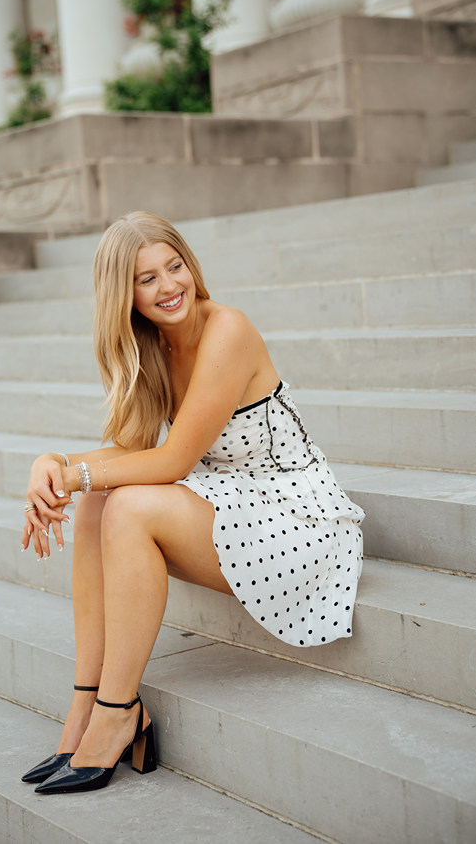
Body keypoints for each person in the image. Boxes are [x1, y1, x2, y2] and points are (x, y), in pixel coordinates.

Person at [20, 211, 364, 795]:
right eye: (146, 279)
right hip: (235, 504)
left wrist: (75, 474)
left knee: (124, 505)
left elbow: (173, 462)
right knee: (99, 504)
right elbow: (129, 450)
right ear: (123, 295)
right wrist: (50, 465)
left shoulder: (227, 329)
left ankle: (118, 711)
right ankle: (84, 708)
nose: (168, 286)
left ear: (191, 265)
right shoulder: (151, 345)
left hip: (301, 523)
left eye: (173, 266)